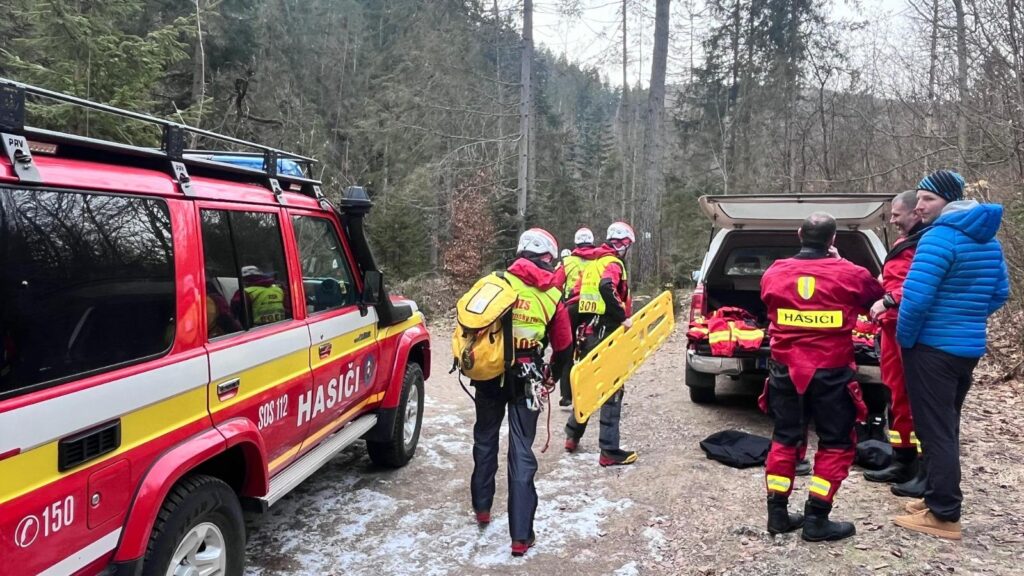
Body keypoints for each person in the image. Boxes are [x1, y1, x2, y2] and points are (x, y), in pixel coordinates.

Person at [892, 170, 1009, 540]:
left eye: (928, 199)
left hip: (931, 349)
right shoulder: (987, 239)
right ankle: (934, 498)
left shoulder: (940, 237)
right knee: (946, 424)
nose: (920, 205)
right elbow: (999, 294)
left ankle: (943, 515)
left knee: (936, 430)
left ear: (948, 200)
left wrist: (906, 339)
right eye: (920, 198)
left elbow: (916, 300)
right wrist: (965, 317)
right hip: (966, 348)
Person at [760, 212, 883, 542]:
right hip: (832, 371)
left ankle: (778, 516)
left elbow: (766, 300)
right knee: (836, 443)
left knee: (785, 439)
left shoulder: (775, 271)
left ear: (800, 234)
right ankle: (816, 520)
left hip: (785, 370)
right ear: (833, 240)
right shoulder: (851, 273)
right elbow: (877, 300)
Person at [470, 228, 573, 557]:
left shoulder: (494, 283)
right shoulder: (552, 296)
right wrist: (551, 378)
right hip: (528, 378)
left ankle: (482, 509)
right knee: (521, 451)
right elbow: (565, 348)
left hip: (488, 374)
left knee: (485, 438)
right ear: (547, 257)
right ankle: (520, 536)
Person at [863, 191, 927, 486]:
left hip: (912, 330)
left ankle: (924, 471)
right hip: (890, 330)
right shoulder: (904, 242)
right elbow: (894, 278)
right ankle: (902, 461)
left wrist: (888, 299)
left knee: (917, 401)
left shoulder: (928, 242)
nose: (892, 220)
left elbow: (924, 284)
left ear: (916, 212)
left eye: (897, 215)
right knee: (895, 396)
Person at [564, 221, 638, 467]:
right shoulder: (613, 263)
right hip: (607, 331)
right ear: (624, 244)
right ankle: (609, 449)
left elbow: (576, 296)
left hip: (588, 331)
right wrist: (623, 317)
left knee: (589, 385)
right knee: (612, 389)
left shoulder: (593, 263)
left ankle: (572, 435)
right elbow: (607, 288)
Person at [557, 227, 598, 408]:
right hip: (595, 308)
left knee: (567, 349)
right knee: (592, 350)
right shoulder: (599, 260)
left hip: (571, 307)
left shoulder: (567, 262)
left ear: (575, 243)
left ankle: (566, 396)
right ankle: (590, 393)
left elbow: (555, 284)